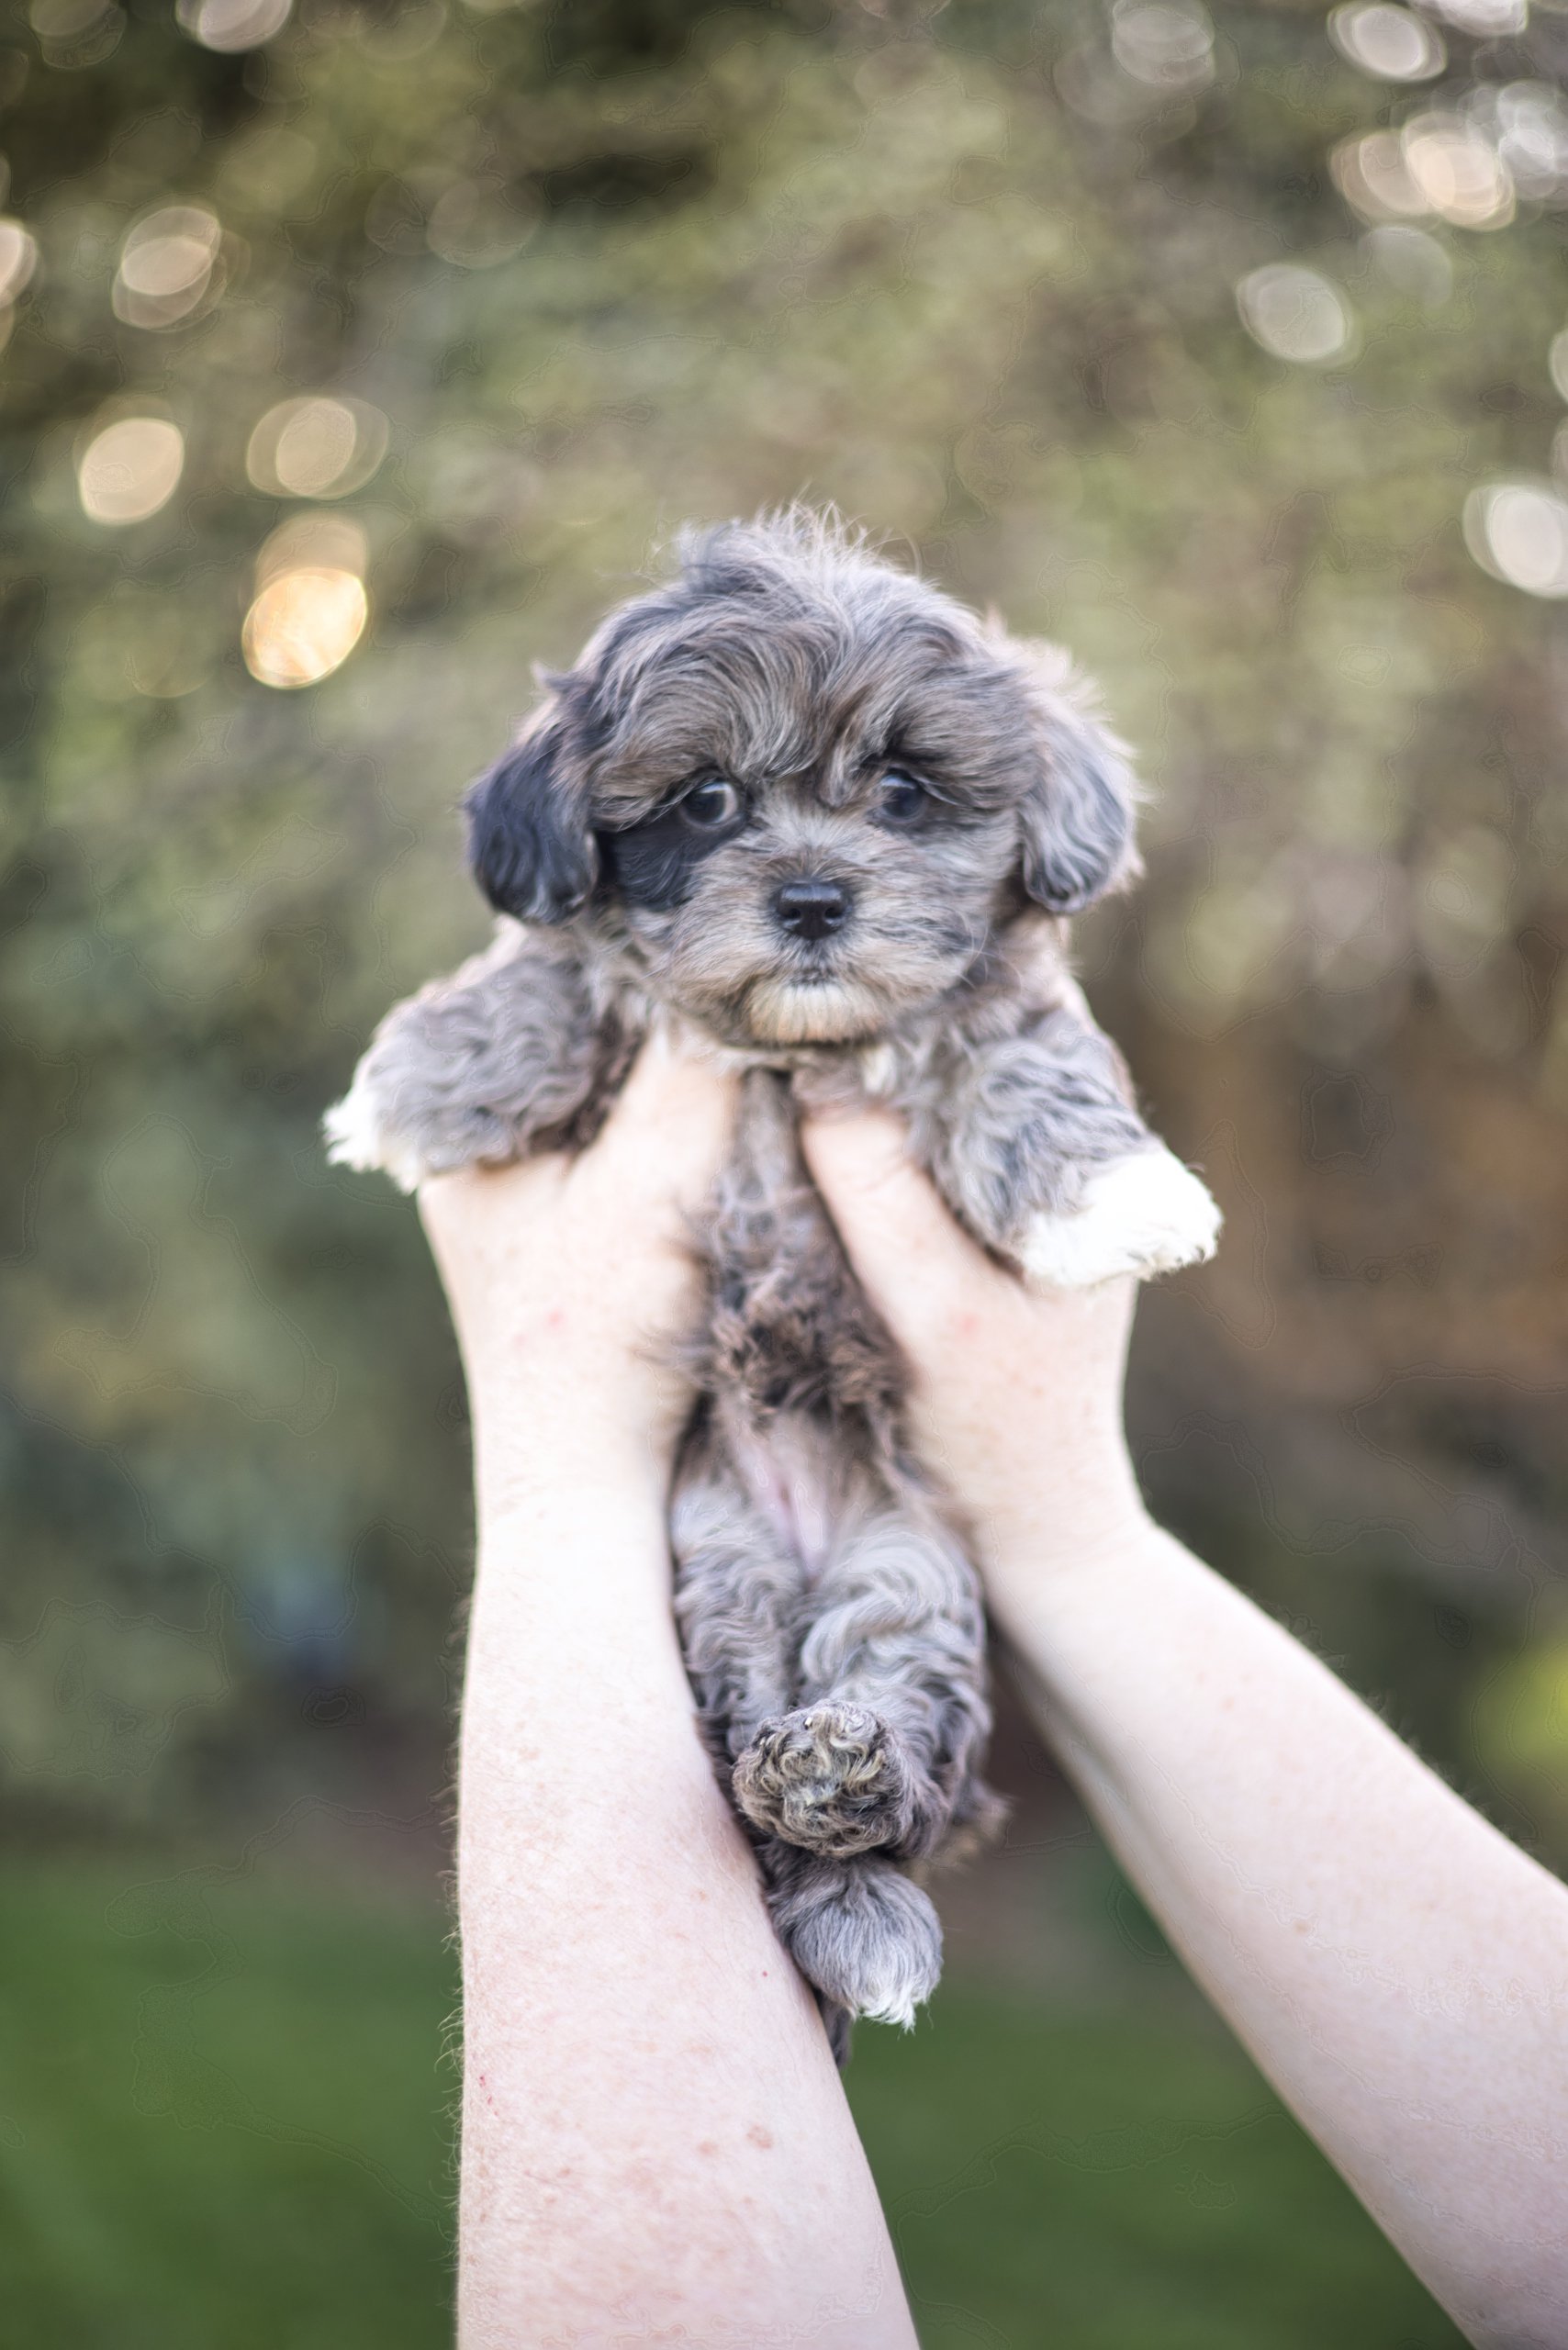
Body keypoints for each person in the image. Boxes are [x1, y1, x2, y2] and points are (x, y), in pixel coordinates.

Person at [420, 1038, 1568, 2350]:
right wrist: (1070, 1532)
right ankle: (835, 1830)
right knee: (758, 1615)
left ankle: (852, 1814)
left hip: (837, 1469)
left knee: (888, 1620)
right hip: (744, 1458)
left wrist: (553, 1479)